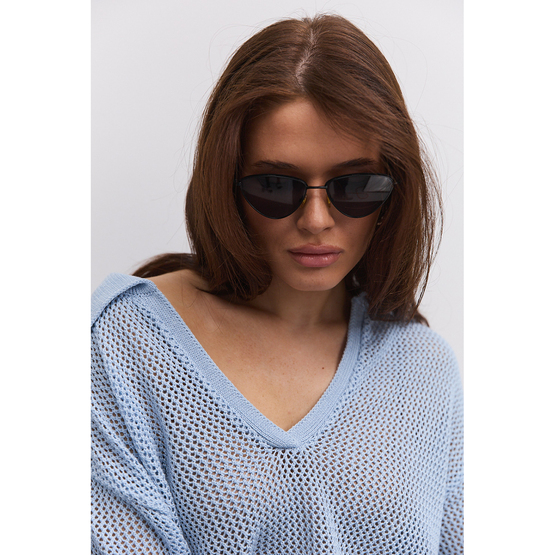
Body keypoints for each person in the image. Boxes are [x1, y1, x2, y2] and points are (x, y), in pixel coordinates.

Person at [91, 14, 463, 555]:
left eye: (355, 186)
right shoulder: (129, 343)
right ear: (226, 183)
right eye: (274, 185)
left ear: (396, 190)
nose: (316, 220)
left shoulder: (425, 369)